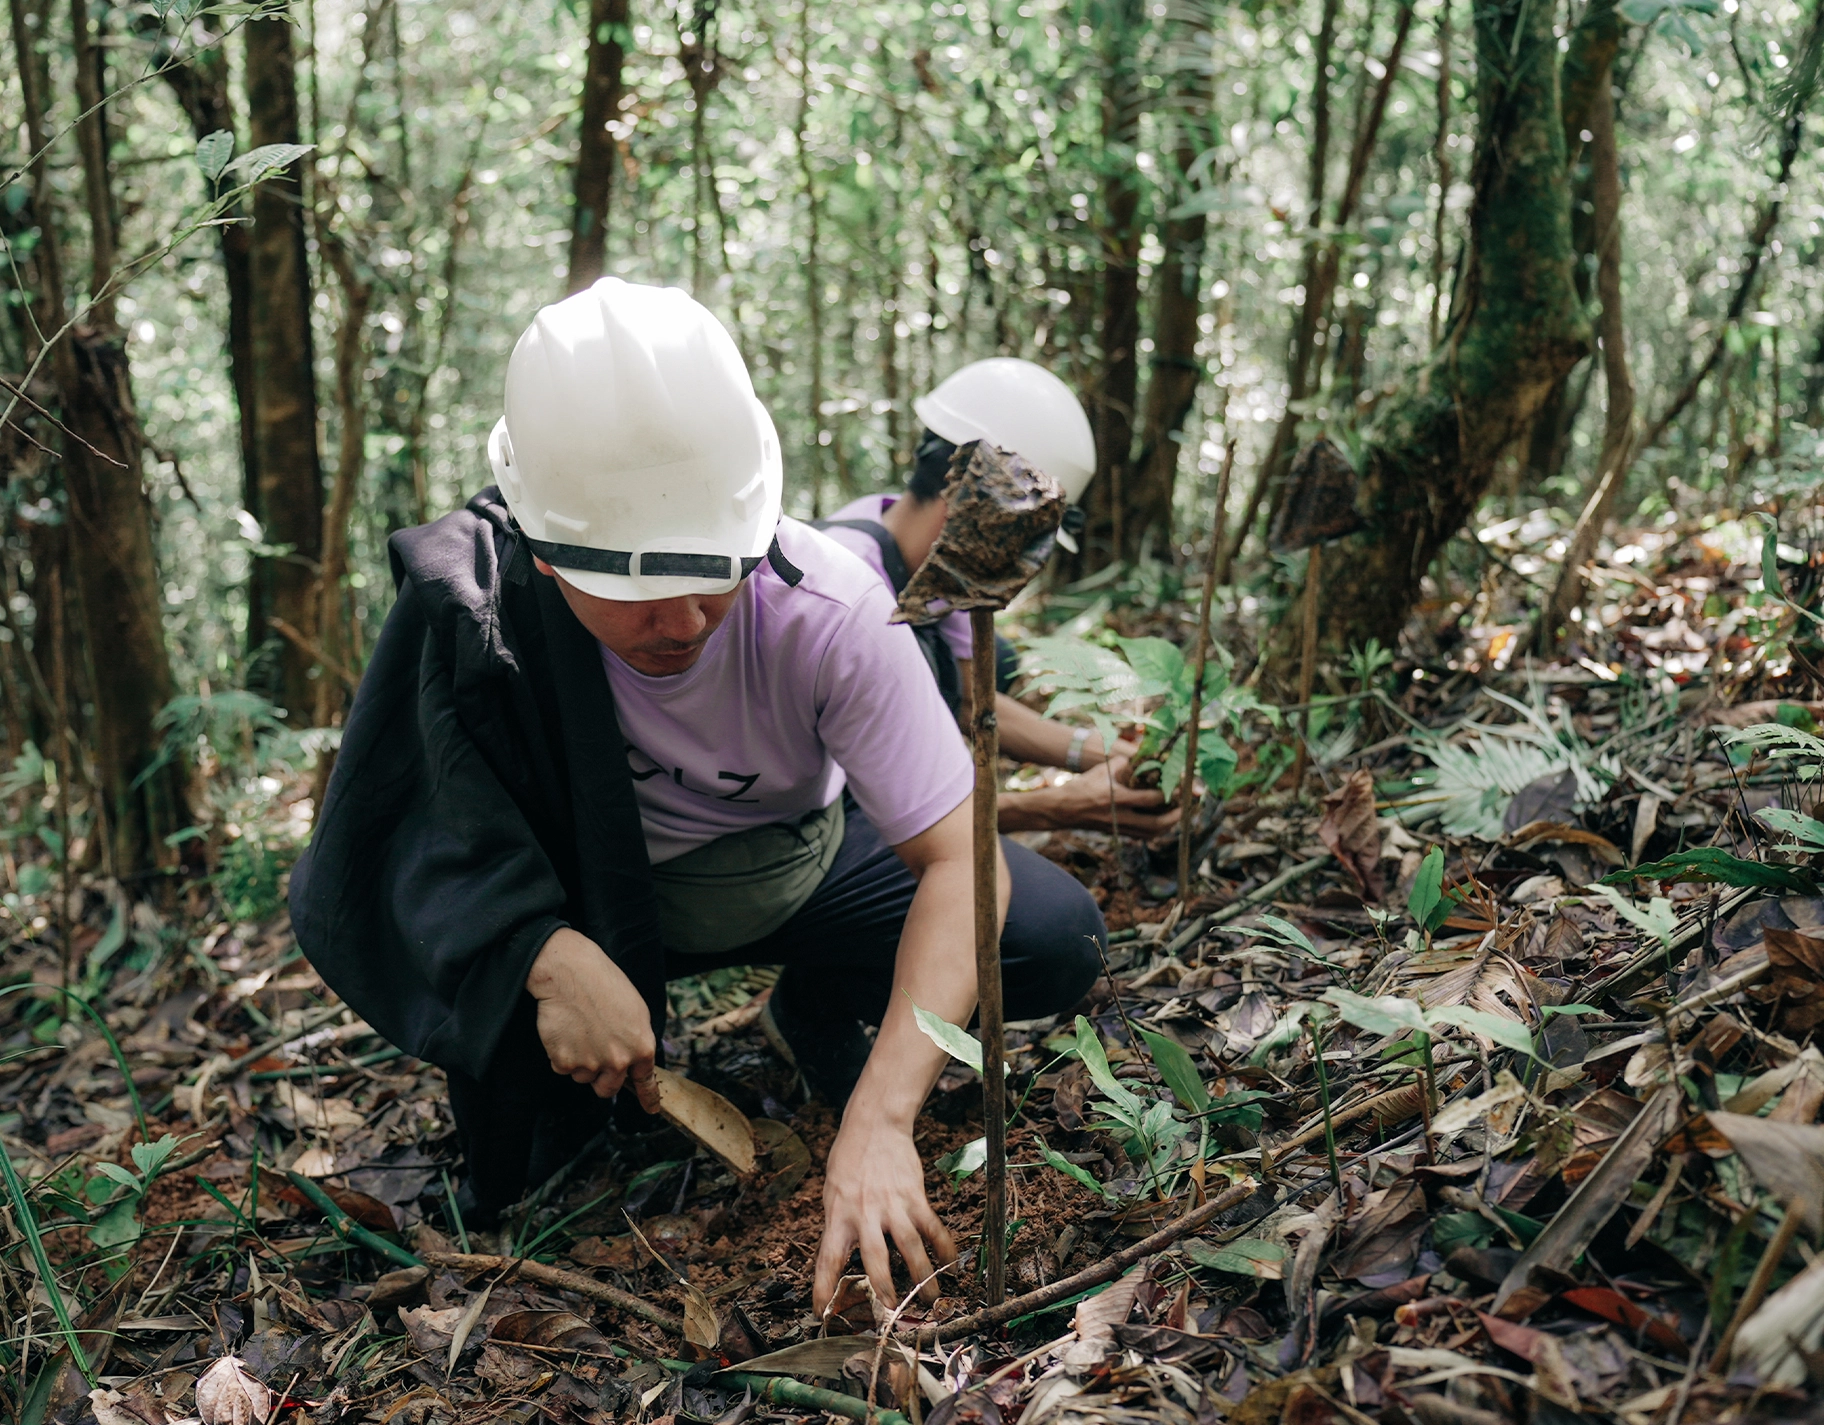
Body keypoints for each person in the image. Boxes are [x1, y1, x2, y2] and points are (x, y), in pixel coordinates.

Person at [290, 279, 1105, 1314]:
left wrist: (881, 1115)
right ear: (546, 553)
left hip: (794, 871)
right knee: (537, 1138)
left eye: (712, 574)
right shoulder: (487, 620)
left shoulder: (831, 610)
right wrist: (537, 954)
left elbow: (961, 858)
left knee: (1048, 934)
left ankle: (808, 1002)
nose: (678, 621)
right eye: (629, 591)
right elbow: (395, 836)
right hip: (607, 906)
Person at [821, 358, 1178, 836]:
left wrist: (1098, 749)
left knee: (998, 661)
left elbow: (969, 697)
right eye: (1029, 544)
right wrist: (1056, 806)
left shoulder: (907, 545)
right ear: (978, 516)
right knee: (1057, 914)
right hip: (816, 825)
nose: (1030, 568)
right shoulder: (845, 598)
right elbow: (871, 815)